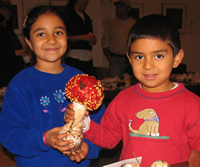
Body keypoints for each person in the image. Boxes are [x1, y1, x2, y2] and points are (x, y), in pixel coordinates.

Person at [66, 14, 200, 166]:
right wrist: (84, 122)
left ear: (176, 58)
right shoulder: (123, 99)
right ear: (129, 59)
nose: (148, 65)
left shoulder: (192, 104)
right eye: (139, 57)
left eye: (158, 56)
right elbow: (108, 138)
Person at [0, 5, 105, 167]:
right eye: (41, 34)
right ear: (28, 41)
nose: (51, 39)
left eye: (58, 32)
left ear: (67, 37)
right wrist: (44, 138)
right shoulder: (19, 85)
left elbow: (102, 128)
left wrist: (89, 148)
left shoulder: (83, 81)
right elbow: (9, 134)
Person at [101, 0, 136, 79]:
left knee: (131, 83)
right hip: (115, 60)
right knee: (115, 85)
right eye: (117, 7)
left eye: (121, 7)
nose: (118, 9)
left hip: (130, 60)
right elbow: (105, 42)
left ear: (128, 9)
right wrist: (110, 58)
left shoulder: (133, 24)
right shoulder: (111, 24)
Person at [0, 0, 30, 87]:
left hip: (14, 74)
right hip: (3, 74)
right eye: (3, 8)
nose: (7, 12)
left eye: (9, 9)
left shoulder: (9, 30)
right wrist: (16, 53)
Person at [64, 0, 97, 77]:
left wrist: (92, 39)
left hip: (87, 55)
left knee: (90, 82)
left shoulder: (86, 17)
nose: (87, 2)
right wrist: (84, 37)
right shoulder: (67, 15)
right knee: (74, 82)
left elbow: (90, 36)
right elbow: (65, 38)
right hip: (73, 55)